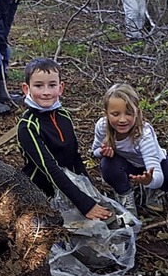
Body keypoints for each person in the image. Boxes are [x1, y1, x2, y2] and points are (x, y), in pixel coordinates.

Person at [17, 58, 112, 221]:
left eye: (52, 85)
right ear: (27, 89)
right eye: (39, 86)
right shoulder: (28, 126)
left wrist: (91, 192)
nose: (46, 92)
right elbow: (49, 168)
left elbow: (75, 157)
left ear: (61, 88)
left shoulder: (64, 116)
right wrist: (84, 203)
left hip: (70, 188)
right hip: (40, 192)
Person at [91, 83, 168, 217]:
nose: (122, 120)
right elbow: (94, 151)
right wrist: (102, 152)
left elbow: (158, 176)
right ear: (106, 114)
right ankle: (125, 196)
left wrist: (150, 181)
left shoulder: (143, 134)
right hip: (126, 164)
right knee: (107, 163)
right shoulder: (102, 126)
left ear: (137, 112)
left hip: (153, 165)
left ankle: (153, 190)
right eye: (115, 114)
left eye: (129, 113)